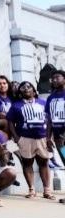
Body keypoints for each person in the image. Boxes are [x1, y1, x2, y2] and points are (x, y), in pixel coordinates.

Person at [7, 81, 55, 199]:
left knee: (44, 162)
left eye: (29, 86)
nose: (26, 89)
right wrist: (16, 137)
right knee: (27, 163)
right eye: (23, 87)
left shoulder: (43, 103)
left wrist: (49, 137)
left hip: (42, 137)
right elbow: (10, 122)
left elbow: (49, 120)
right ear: (20, 92)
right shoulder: (16, 105)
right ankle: (31, 190)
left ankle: (47, 190)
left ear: (34, 90)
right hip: (25, 138)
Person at [46, 70, 65, 203]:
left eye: (57, 77)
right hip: (59, 137)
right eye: (53, 78)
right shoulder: (51, 97)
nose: (54, 80)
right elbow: (49, 119)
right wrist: (48, 137)